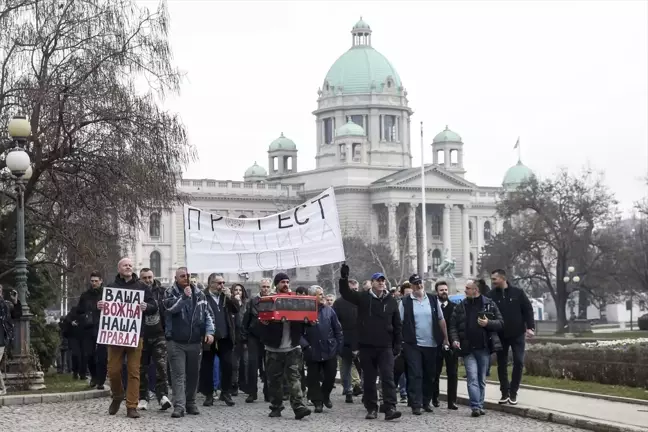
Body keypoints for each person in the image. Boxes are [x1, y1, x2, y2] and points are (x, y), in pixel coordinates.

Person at [339, 264, 402, 421]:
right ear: (372, 283)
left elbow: (397, 325)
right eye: (378, 280)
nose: (381, 283)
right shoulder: (363, 298)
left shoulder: (391, 301)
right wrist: (343, 278)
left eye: (383, 281)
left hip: (386, 346)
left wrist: (398, 344)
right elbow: (346, 293)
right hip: (367, 346)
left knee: (388, 377)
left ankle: (390, 408)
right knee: (369, 379)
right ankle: (372, 408)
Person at [104, 258, 157, 418]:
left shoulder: (142, 287)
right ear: (119, 268)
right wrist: (100, 306)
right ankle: (118, 395)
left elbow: (154, 307)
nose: (128, 267)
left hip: (135, 335)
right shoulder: (111, 287)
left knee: (134, 371)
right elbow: (105, 310)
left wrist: (146, 307)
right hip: (116, 336)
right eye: (125, 265)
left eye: (130, 265)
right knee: (113, 370)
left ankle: (131, 406)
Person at [258, 272, 311, 420]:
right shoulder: (268, 301)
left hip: (292, 347)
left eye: (287, 281)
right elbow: (260, 322)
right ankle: (276, 407)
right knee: (274, 381)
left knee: (294, 378)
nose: (285, 284)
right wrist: (264, 324)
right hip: (273, 348)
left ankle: (298, 407)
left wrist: (309, 321)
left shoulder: (296, 300)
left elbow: (305, 319)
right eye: (282, 282)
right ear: (277, 284)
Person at [164, 267, 215, 418]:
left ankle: (191, 402)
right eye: (182, 276)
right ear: (176, 278)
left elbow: (208, 314)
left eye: (187, 276)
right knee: (179, 374)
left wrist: (210, 332)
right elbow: (170, 308)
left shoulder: (199, 294)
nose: (185, 278)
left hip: (194, 341)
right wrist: (184, 298)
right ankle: (179, 406)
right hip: (176, 341)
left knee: (193, 374)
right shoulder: (169, 292)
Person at [449, 279, 504, 417]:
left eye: (468, 288)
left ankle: (479, 404)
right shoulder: (461, 306)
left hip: (484, 347)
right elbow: (453, 326)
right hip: (468, 349)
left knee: (481, 379)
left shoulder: (489, 304)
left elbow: (500, 323)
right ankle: (475, 406)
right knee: (472, 377)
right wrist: (455, 340)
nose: (465, 290)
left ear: (476, 290)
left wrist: (488, 323)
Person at [399, 274, 449, 415]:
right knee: (415, 373)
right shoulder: (405, 301)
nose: (419, 286)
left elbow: (441, 319)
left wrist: (445, 338)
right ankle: (416, 403)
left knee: (429, 374)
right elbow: (399, 322)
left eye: (420, 282)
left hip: (431, 343)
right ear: (411, 286)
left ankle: (426, 401)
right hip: (412, 343)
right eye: (415, 284)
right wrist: (400, 340)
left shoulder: (432, 299)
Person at [489, 269, 535, 405]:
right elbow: (487, 312)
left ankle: (513, 393)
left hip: (517, 334)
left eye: (494, 279)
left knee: (519, 362)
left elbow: (528, 309)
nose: (493, 282)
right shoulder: (491, 295)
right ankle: (505, 392)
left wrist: (530, 327)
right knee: (502, 364)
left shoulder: (518, 293)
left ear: (503, 278)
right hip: (501, 334)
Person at [302, 285, 343, 413]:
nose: (323, 296)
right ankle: (317, 402)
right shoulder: (304, 311)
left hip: (329, 348)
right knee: (313, 378)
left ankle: (325, 395)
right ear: (312, 296)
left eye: (323, 294)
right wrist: (305, 346)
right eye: (320, 294)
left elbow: (338, 329)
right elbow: (297, 332)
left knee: (330, 376)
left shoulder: (329, 310)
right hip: (312, 349)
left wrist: (338, 346)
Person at [200, 273, 239, 407]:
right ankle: (209, 394)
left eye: (223, 282)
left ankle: (225, 392)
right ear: (211, 283)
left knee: (228, 365)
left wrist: (231, 297)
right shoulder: (203, 296)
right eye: (219, 283)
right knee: (207, 367)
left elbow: (236, 309)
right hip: (209, 337)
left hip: (225, 337)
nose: (222, 285)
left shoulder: (225, 296)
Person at [137, 268, 172, 411]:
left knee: (161, 366)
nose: (147, 280)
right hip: (142, 335)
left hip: (159, 334)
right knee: (141, 368)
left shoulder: (162, 292)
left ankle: (162, 396)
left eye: (149, 277)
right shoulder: (135, 293)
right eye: (144, 278)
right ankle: (143, 397)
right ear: (140, 279)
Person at [241, 278, 272, 403]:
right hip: (253, 337)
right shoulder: (253, 301)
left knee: (268, 366)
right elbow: (246, 320)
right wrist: (244, 338)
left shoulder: (274, 300)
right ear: (260, 287)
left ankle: (268, 392)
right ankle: (252, 392)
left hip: (269, 337)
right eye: (263, 286)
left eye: (267, 287)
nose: (265, 289)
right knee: (252, 365)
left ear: (271, 288)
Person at [332, 279, 363, 404]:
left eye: (356, 289)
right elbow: (335, 323)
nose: (354, 292)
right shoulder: (338, 303)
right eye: (352, 290)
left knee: (364, 367)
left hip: (361, 338)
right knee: (346, 366)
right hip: (345, 338)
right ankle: (348, 390)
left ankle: (360, 388)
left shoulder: (361, 301)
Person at [76, 271, 107, 388]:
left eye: (96, 281)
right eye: (92, 281)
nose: (94, 283)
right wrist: (87, 315)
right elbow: (79, 312)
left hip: (103, 328)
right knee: (89, 355)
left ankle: (101, 381)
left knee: (102, 356)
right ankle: (94, 376)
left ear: (101, 281)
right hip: (89, 329)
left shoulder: (106, 294)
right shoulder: (85, 296)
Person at [432, 280, 459, 410]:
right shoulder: (433, 307)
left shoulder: (455, 307)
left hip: (452, 345)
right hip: (436, 344)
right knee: (435, 372)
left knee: (452, 373)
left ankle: (452, 401)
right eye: (441, 290)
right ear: (436, 292)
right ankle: (434, 397)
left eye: (445, 290)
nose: (444, 292)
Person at [0, 286, 22, 396]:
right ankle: (3, 388)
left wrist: (16, 302)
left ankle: (3, 388)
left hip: (1, 340)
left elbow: (17, 315)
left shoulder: (6, 305)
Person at [231, 283, 248, 396]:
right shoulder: (230, 304)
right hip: (234, 337)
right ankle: (234, 385)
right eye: (236, 290)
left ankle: (245, 385)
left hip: (245, 337)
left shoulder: (247, 304)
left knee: (246, 362)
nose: (238, 292)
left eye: (240, 290)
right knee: (234, 364)